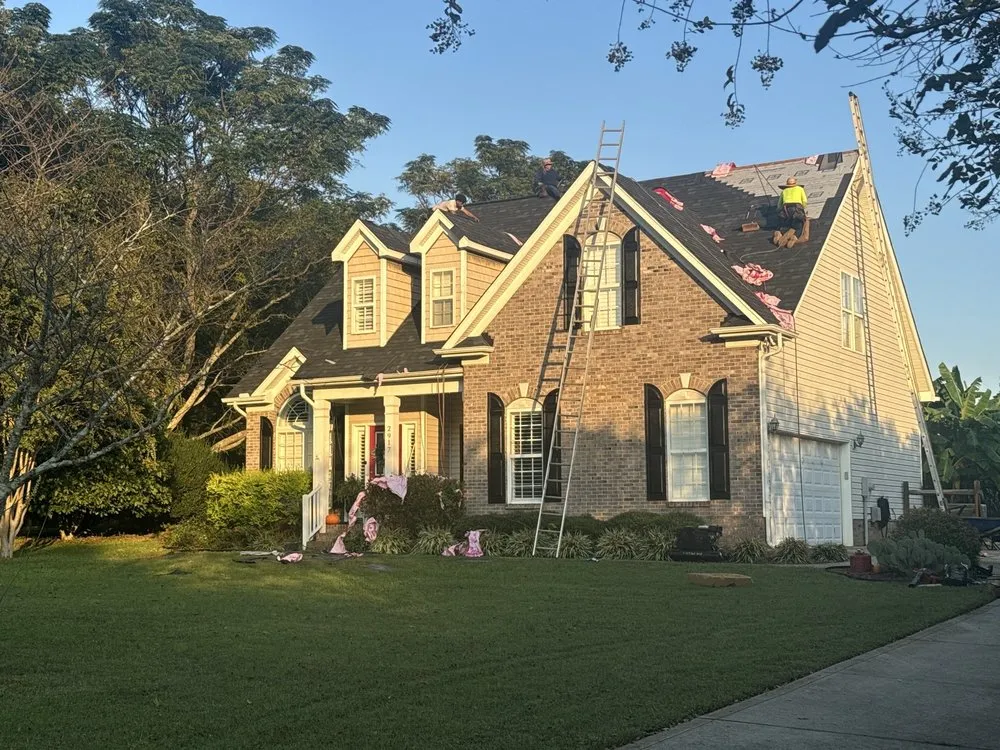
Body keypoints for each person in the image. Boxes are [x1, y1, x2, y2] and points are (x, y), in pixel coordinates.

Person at [773, 176, 807, 248]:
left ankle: (779, 233)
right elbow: (804, 201)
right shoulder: (800, 189)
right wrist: (802, 209)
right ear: (795, 183)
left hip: (785, 209)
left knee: (784, 223)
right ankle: (794, 237)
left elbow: (779, 204)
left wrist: (779, 211)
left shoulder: (784, 191)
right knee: (799, 224)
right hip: (797, 208)